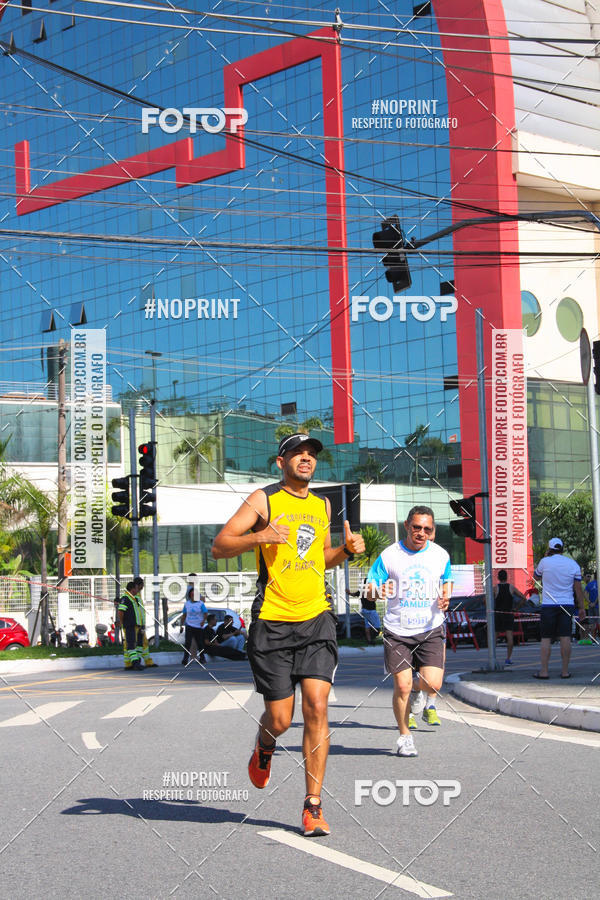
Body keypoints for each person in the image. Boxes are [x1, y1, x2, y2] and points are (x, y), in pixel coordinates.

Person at [212, 432, 365, 837]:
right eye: (297, 453)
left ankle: (312, 805)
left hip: (316, 618)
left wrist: (346, 551)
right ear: (281, 462)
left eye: (311, 453)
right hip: (273, 622)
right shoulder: (263, 500)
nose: (306, 458)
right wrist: (259, 536)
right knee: (280, 719)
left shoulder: (322, 504)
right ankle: (265, 745)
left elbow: (321, 559)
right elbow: (220, 546)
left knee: (317, 706)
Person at [365, 505, 451, 757]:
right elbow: (368, 589)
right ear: (407, 526)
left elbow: (447, 581)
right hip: (397, 630)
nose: (421, 533)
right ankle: (405, 737)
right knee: (401, 687)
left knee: (433, 684)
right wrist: (378, 591)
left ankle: (417, 690)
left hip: (430, 628)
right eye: (417, 527)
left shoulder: (440, 555)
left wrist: (446, 597)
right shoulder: (389, 556)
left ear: (432, 530)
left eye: (427, 529)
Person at [533, 538, 585, 679]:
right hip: (567, 604)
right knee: (565, 637)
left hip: (548, 605)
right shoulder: (573, 564)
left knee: (546, 638)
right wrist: (581, 608)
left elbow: (535, 577)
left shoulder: (544, 562)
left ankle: (544, 671)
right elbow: (578, 589)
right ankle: (565, 672)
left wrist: (545, 557)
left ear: (549, 549)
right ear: (562, 549)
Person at [118, 580, 156, 670]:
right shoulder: (126, 598)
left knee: (139, 645)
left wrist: (142, 624)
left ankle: (136, 662)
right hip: (130, 625)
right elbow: (121, 612)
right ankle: (134, 663)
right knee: (131, 645)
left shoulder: (135, 598)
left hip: (138, 625)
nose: (137, 590)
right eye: (136, 588)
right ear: (132, 589)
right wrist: (122, 622)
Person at [494, 569, 527, 666]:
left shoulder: (495, 588)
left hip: (498, 614)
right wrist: (516, 608)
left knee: (494, 637)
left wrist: (490, 609)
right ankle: (508, 658)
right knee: (510, 637)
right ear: (507, 577)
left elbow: (485, 600)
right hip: (509, 613)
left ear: (498, 578)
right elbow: (523, 598)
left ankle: (493, 657)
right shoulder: (511, 587)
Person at [180, 580, 208, 666]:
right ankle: (185, 659)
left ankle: (202, 657)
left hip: (198, 626)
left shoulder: (200, 604)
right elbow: (184, 615)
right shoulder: (187, 604)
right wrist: (181, 625)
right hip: (189, 625)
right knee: (187, 643)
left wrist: (203, 621)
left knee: (200, 643)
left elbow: (205, 613)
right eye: (192, 595)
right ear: (190, 596)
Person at [581, 573, 598, 643]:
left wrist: (590, 602)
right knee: (597, 622)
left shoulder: (589, 584)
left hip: (590, 606)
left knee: (592, 623)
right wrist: (595, 602)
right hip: (597, 606)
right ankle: (594, 639)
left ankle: (593, 639)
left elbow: (584, 594)